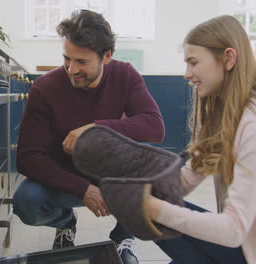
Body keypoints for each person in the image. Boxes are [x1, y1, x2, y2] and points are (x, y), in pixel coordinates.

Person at [145, 15, 256, 264]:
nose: (186, 74)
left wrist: (150, 207)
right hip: (251, 246)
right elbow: (187, 178)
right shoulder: (227, 117)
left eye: (193, 62)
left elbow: (232, 230)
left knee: (151, 211)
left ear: (228, 59)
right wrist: (135, 185)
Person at [13, 9, 165, 264]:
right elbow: (28, 158)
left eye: (81, 62)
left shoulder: (124, 75)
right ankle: (65, 222)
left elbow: (154, 126)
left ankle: (123, 235)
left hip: (108, 170)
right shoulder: (44, 88)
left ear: (107, 56)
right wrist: (82, 189)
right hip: (62, 176)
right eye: (66, 59)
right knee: (26, 202)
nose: (71, 69)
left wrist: (96, 127)